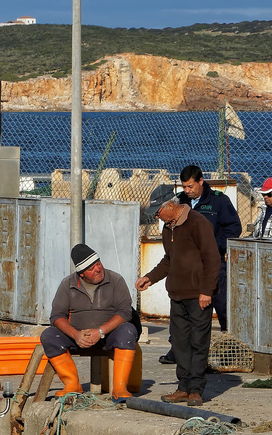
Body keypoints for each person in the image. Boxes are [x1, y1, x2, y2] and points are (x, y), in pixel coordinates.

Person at [135, 185, 219, 407]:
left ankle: (196, 390)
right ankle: (183, 387)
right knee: (180, 342)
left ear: (170, 206)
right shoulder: (168, 228)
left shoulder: (198, 223)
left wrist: (206, 291)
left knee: (198, 342)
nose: (156, 216)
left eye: (158, 212)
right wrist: (150, 278)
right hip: (177, 294)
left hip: (198, 295)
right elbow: (168, 261)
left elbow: (212, 259)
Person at [40, 242, 139, 399]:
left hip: (108, 336)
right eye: (91, 268)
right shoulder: (68, 284)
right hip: (77, 338)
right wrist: (76, 334)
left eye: (98, 263)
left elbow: (125, 312)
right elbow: (57, 316)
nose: (98, 269)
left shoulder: (116, 280)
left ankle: (119, 388)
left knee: (128, 331)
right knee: (49, 335)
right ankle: (72, 384)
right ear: (81, 274)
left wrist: (99, 332)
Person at [179, 165, 241, 335]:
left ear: (201, 181)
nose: (187, 190)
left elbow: (234, 228)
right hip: (188, 265)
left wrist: (213, 247)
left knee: (222, 305)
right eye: (184, 187)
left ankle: (229, 343)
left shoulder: (219, 201)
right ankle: (178, 349)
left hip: (214, 263)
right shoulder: (180, 201)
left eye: (190, 186)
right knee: (184, 307)